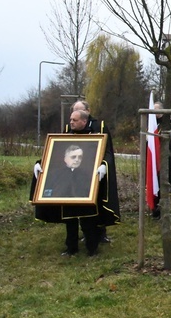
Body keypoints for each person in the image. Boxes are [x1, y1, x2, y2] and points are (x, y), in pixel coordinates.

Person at [32, 109, 121, 256]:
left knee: (89, 218)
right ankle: (71, 248)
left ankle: (92, 248)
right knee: (70, 219)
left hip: (87, 185)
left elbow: (107, 154)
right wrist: (40, 163)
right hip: (68, 187)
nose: (71, 122)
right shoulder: (66, 136)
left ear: (84, 121)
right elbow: (54, 153)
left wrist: (104, 165)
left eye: (74, 120)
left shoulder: (95, 138)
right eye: (71, 119)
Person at [69, 100, 116, 243]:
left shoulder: (99, 126)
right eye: (74, 111)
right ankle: (85, 233)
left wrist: (104, 165)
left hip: (95, 171)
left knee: (98, 201)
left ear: (87, 112)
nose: (73, 118)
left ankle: (100, 233)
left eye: (80, 110)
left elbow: (107, 149)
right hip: (77, 172)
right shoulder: (70, 128)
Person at [150, 101, 171, 219]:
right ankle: (154, 210)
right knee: (154, 185)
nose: (155, 112)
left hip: (164, 161)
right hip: (154, 161)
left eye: (157, 110)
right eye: (153, 110)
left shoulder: (167, 125)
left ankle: (163, 211)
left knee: (162, 187)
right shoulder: (151, 124)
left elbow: (169, 145)